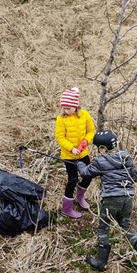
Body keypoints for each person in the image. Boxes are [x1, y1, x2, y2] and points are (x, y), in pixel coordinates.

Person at [77, 129, 137, 273]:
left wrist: (79, 164)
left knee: (103, 227)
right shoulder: (126, 157)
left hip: (111, 199)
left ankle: (101, 262)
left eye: (97, 147)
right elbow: (134, 176)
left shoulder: (101, 161)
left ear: (103, 148)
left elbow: (85, 173)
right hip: (128, 197)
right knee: (126, 226)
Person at [54, 87, 95, 219]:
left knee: (88, 175)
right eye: (63, 108)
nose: (65, 111)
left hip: (83, 154)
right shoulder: (61, 119)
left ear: (75, 106)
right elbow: (60, 138)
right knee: (72, 179)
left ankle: (80, 195)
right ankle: (67, 208)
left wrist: (85, 142)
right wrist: (71, 148)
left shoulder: (85, 115)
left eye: (68, 108)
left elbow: (91, 131)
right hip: (69, 156)